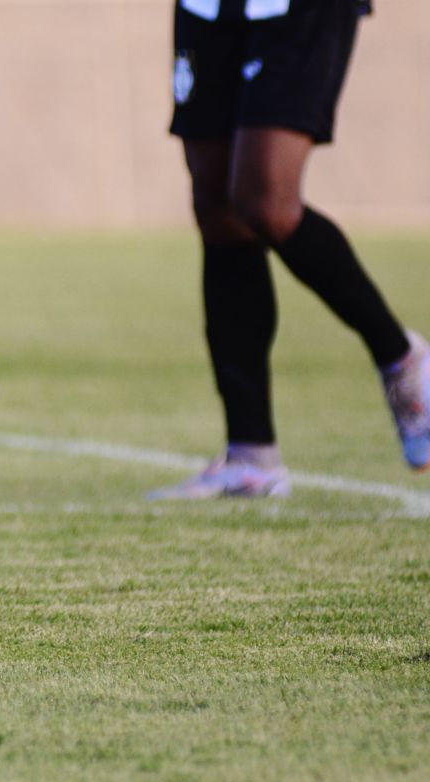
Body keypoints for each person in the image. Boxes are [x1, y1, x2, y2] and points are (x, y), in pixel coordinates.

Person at [152, 0, 428, 500]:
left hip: (297, 9)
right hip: (209, 9)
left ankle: (403, 362)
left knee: (265, 202)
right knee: (216, 207)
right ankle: (250, 455)